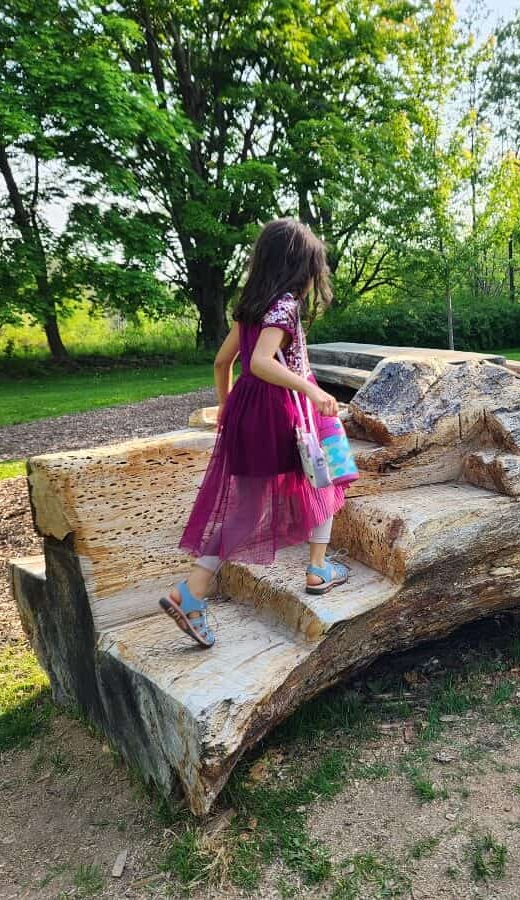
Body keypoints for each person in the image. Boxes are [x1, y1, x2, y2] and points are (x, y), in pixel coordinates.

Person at [161, 219, 350, 648]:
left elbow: (221, 361)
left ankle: (190, 593)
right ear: (297, 266)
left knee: (248, 511)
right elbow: (263, 362)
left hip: (250, 413)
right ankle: (318, 570)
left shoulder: (251, 306)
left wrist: (229, 406)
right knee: (325, 477)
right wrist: (310, 390)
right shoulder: (283, 306)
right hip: (278, 413)